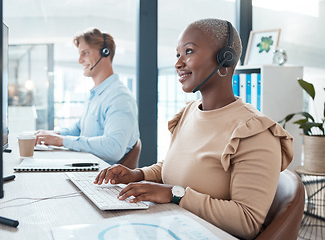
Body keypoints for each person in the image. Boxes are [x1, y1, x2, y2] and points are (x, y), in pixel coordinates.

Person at [94, 19, 294, 240]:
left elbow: (246, 222)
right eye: (177, 55)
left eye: (188, 51)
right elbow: (175, 167)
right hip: (173, 226)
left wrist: (174, 194)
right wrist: (138, 175)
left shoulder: (253, 131)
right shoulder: (189, 112)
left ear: (225, 58)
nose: (178, 63)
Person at [35, 28, 140, 164]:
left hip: (102, 179)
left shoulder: (119, 97)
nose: (79, 60)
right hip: (90, 171)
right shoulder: (97, 94)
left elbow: (114, 147)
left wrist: (62, 141)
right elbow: (80, 128)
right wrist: (54, 135)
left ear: (105, 53)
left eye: (85, 53)